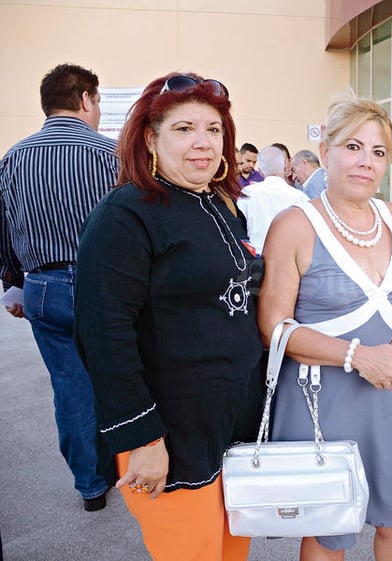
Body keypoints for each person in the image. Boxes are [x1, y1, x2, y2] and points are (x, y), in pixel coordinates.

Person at [74, 73, 264, 560]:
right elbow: (103, 332)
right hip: (171, 433)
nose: (203, 142)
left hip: (230, 426)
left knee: (229, 552)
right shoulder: (127, 213)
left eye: (214, 128)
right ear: (150, 138)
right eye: (183, 129)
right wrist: (141, 438)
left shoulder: (220, 206)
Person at [258, 95, 392, 561]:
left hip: (386, 393)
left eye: (378, 153)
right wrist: (359, 357)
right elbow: (274, 328)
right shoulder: (295, 224)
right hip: (321, 399)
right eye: (354, 147)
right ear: (327, 149)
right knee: (328, 537)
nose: (366, 162)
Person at [0, 63, 118, 512]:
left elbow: (5, 229)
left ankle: (90, 486)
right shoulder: (111, 153)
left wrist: (13, 284)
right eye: (98, 101)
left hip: (43, 287)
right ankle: (127, 466)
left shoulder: (13, 157)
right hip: (103, 285)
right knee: (121, 377)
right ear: (86, 99)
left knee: (69, 386)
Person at [236, 145, 308, 255]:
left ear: (260, 171)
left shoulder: (248, 194)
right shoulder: (300, 197)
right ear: (285, 166)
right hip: (289, 260)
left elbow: (239, 229)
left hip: (256, 259)